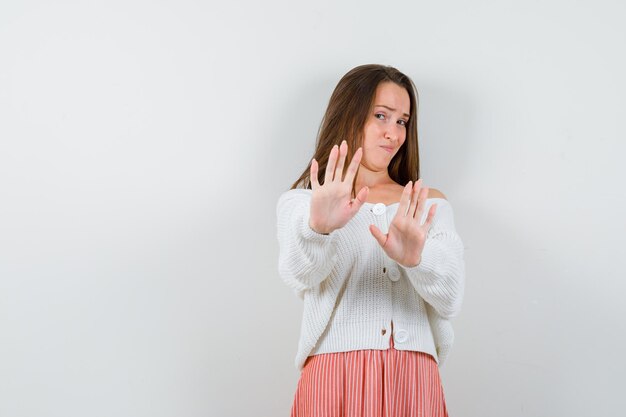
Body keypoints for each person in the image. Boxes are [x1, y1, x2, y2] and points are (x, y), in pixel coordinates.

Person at [276, 64, 465, 417]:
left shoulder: (427, 203)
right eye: (381, 115)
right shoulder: (303, 203)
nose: (393, 133)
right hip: (334, 376)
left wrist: (417, 260)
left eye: (402, 121)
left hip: (414, 378)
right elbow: (299, 275)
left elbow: (451, 298)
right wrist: (319, 229)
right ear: (350, 114)